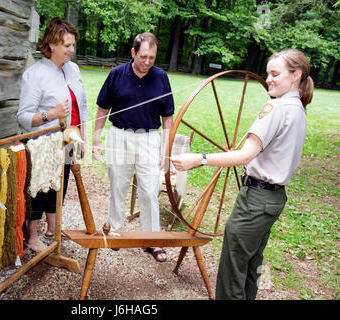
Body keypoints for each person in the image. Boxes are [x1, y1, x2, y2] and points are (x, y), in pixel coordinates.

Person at [171, 48, 313, 299]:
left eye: (275, 73)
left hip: (256, 202)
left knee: (232, 272)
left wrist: (200, 159)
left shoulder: (277, 108)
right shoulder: (298, 109)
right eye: (268, 73)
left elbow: (246, 155)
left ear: (295, 75)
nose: (268, 79)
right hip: (273, 200)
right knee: (250, 266)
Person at [92, 32, 174, 262]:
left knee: (150, 190)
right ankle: (116, 233)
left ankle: (151, 240)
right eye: (143, 56)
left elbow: (168, 116)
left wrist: (164, 148)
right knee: (118, 185)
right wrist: (96, 140)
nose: (147, 62)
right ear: (133, 53)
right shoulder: (117, 74)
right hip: (119, 136)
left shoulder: (161, 77)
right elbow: (102, 109)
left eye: (152, 57)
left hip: (149, 138)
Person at [17, 17, 88, 252]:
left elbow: (82, 107)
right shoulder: (35, 74)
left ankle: (53, 229)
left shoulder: (73, 69)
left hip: (67, 140)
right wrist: (51, 114)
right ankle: (32, 235)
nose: (71, 50)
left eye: (72, 45)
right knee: (40, 189)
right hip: (42, 144)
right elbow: (23, 118)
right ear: (52, 44)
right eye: (67, 45)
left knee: (61, 184)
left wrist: (83, 139)